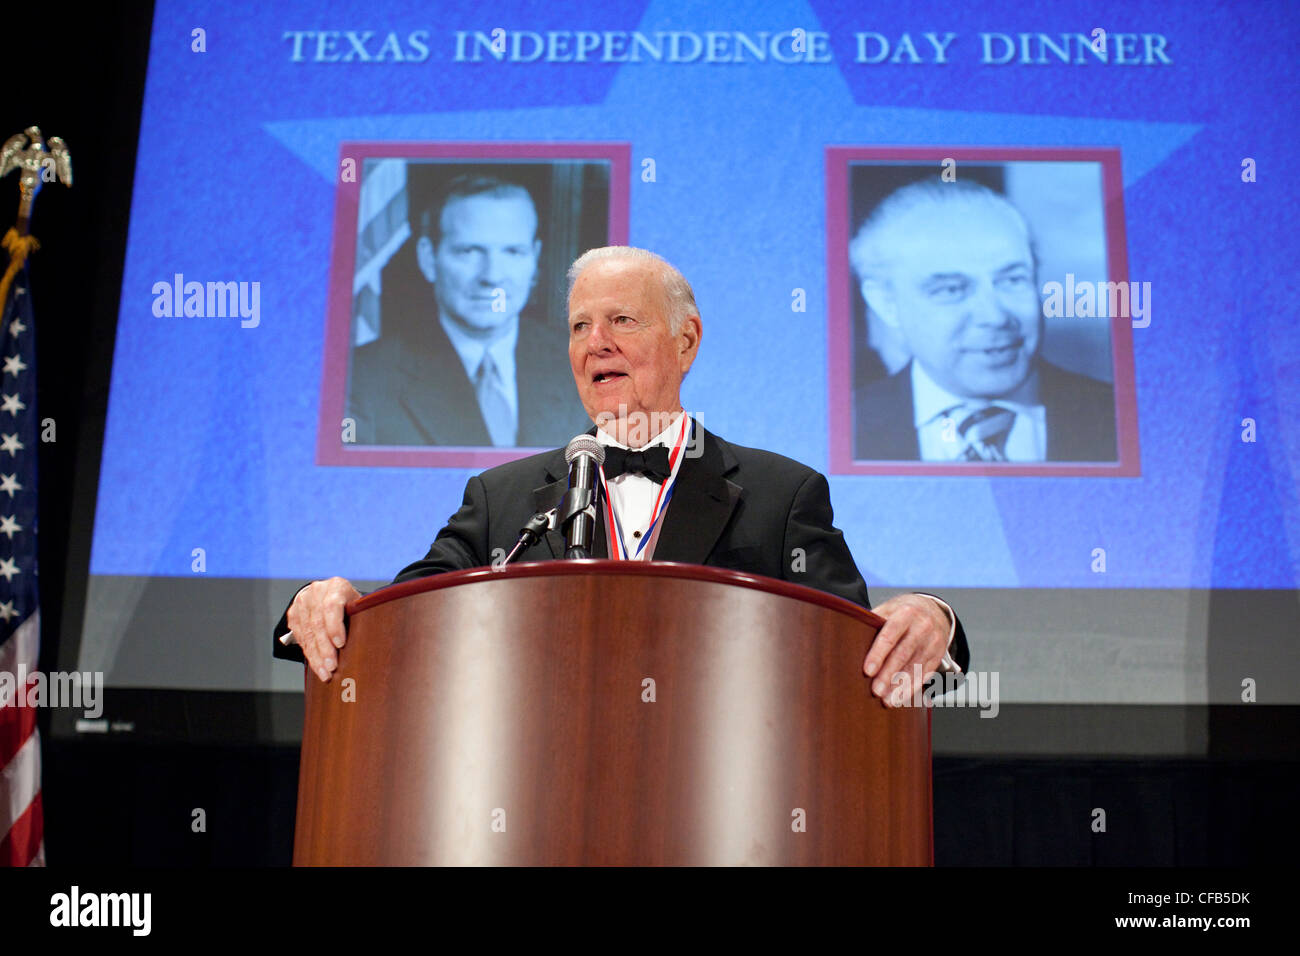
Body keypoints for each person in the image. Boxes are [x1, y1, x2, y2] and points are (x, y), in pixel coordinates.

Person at [280, 246, 970, 706]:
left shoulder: (781, 496)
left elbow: (862, 656)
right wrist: (326, 604)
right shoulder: (503, 498)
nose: (595, 343)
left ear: (686, 341)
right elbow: (407, 619)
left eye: (621, 321)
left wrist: (933, 618)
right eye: (580, 326)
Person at [850, 178, 1117, 463]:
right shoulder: (841, 426)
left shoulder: (1121, 416)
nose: (995, 317)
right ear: (886, 303)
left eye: (1013, 280)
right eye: (952, 289)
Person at [347, 173, 589, 447]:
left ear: (533, 259)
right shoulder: (363, 380)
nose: (492, 276)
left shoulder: (584, 365)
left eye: (513, 252)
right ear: (428, 258)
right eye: (469, 251)